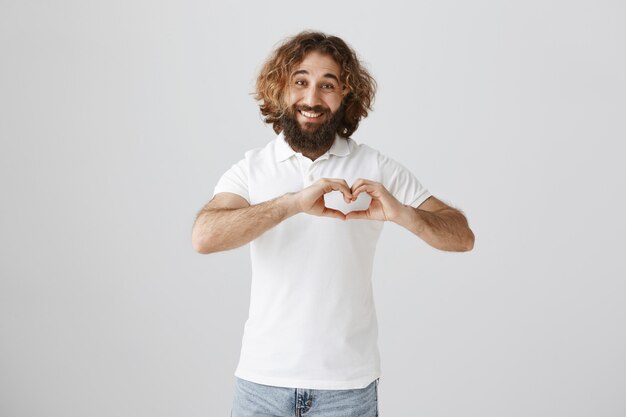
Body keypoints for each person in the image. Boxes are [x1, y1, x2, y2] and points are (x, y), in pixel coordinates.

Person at [192, 30, 474, 417]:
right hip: (262, 386)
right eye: (301, 82)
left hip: (348, 389)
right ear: (281, 90)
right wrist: (292, 203)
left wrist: (401, 213)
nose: (312, 98)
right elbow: (205, 237)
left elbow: (461, 237)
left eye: (328, 85)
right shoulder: (252, 169)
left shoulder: (375, 166)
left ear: (346, 95)